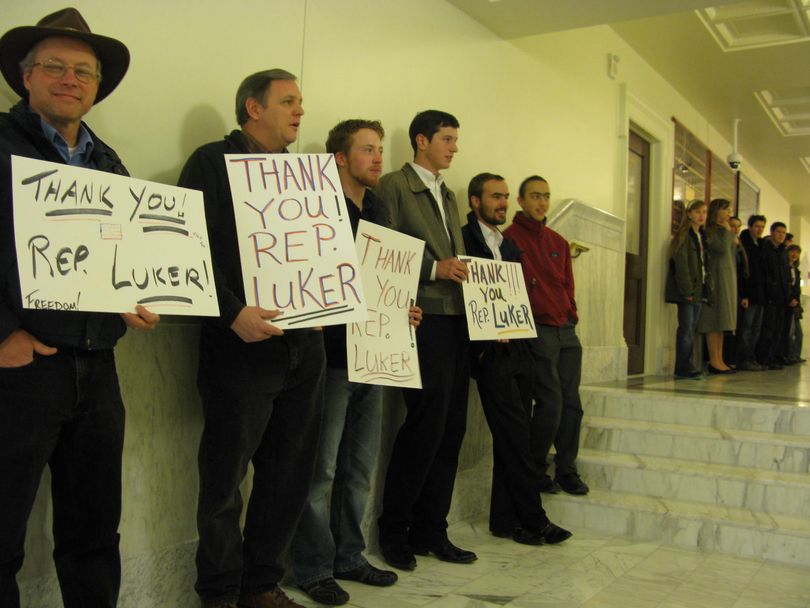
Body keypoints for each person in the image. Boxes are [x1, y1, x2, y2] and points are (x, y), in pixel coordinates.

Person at [0, 9, 160, 607]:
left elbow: (122, 257)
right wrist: (2, 334)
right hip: (20, 369)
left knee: (94, 533)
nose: (70, 79)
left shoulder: (109, 164)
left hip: (98, 369)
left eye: (84, 72)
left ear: (97, 87)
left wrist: (142, 298)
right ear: (26, 76)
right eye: (55, 67)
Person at [177, 69, 323, 608]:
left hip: (303, 346)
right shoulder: (210, 163)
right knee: (225, 478)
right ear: (252, 108)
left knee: (288, 475)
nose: (300, 111)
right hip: (240, 347)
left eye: (301, 102)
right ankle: (218, 593)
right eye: (288, 101)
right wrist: (231, 312)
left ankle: (262, 585)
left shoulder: (305, 177)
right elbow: (184, 248)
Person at [290, 119, 421, 606]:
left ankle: (349, 555)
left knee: (359, 468)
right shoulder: (318, 207)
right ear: (340, 157)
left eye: (380, 149)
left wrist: (403, 306)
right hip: (329, 357)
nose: (377, 158)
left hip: (376, 354)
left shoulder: (382, 208)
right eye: (367, 149)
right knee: (320, 469)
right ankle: (313, 566)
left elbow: (385, 277)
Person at [374, 110, 475, 571]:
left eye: (456, 139)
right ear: (421, 140)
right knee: (424, 426)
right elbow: (378, 250)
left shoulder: (448, 192)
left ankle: (432, 528)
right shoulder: (395, 185)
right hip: (422, 318)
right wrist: (434, 269)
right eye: (447, 139)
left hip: (456, 317)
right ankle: (394, 530)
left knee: (452, 428)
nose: (454, 147)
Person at [461, 172, 572, 546]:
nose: (502, 203)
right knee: (513, 436)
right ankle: (534, 518)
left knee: (518, 437)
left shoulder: (507, 244)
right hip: (489, 351)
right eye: (495, 196)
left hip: (520, 346)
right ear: (475, 201)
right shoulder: (465, 239)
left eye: (505, 196)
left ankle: (505, 520)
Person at [503, 176, 589, 497]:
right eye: (535, 196)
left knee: (572, 403)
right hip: (536, 330)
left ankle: (567, 469)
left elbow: (568, 284)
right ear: (521, 201)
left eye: (546, 196)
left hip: (565, 330)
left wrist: (571, 313)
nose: (541, 202)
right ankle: (536, 469)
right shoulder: (508, 240)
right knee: (550, 402)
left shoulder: (558, 242)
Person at [665, 200, 708, 379]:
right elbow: (681, 265)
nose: (701, 215)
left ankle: (687, 364)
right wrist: (687, 290)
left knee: (691, 329)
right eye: (698, 211)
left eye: (704, 212)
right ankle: (684, 366)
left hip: (699, 290)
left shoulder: (701, 237)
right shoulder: (684, 236)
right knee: (686, 329)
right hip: (689, 291)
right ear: (689, 213)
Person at [697, 198, 737, 374]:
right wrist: (728, 231)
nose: (728, 213)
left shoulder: (722, 230)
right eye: (726, 209)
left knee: (722, 322)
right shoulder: (710, 230)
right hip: (716, 278)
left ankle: (720, 359)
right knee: (713, 321)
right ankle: (714, 360)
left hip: (726, 277)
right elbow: (720, 248)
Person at [756, 222, 791, 370]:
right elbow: (765, 273)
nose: (781, 235)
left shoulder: (783, 252)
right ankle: (764, 358)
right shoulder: (766, 249)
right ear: (772, 233)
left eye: (783, 232)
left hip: (782, 298)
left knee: (778, 329)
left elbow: (786, 275)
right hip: (770, 297)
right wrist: (770, 289)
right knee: (768, 329)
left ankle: (773, 357)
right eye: (778, 232)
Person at [737, 215, 768, 371]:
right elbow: (744, 271)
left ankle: (750, 356)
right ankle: (743, 359)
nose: (760, 229)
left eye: (762, 226)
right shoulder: (745, 244)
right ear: (750, 227)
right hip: (749, 294)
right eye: (757, 226)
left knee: (756, 329)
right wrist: (744, 295)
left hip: (760, 295)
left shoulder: (761, 245)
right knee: (746, 328)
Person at [786, 244, 804, 364]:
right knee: (790, 332)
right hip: (787, 304)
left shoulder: (796, 271)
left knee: (798, 333)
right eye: (792, 252)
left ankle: (795, 355)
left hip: (795, 304)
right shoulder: (785, 268)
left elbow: (796, 289)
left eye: (797, 252)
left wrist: (797, 302)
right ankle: (790, 355)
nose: (794, 255)